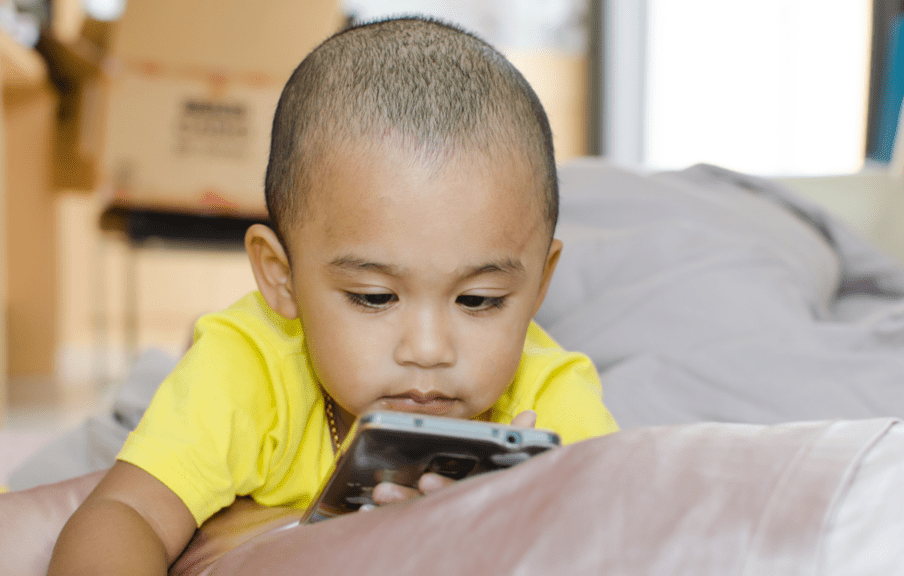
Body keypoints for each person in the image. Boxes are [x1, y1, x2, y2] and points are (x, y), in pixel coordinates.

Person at [48, 16, 618, 575]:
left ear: (540, 285)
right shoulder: (253, 368)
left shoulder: (548, 400)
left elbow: (627, 528)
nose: (427, 348)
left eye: (478, 300)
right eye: (373, 297)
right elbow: (126, 511)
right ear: (281, 277)